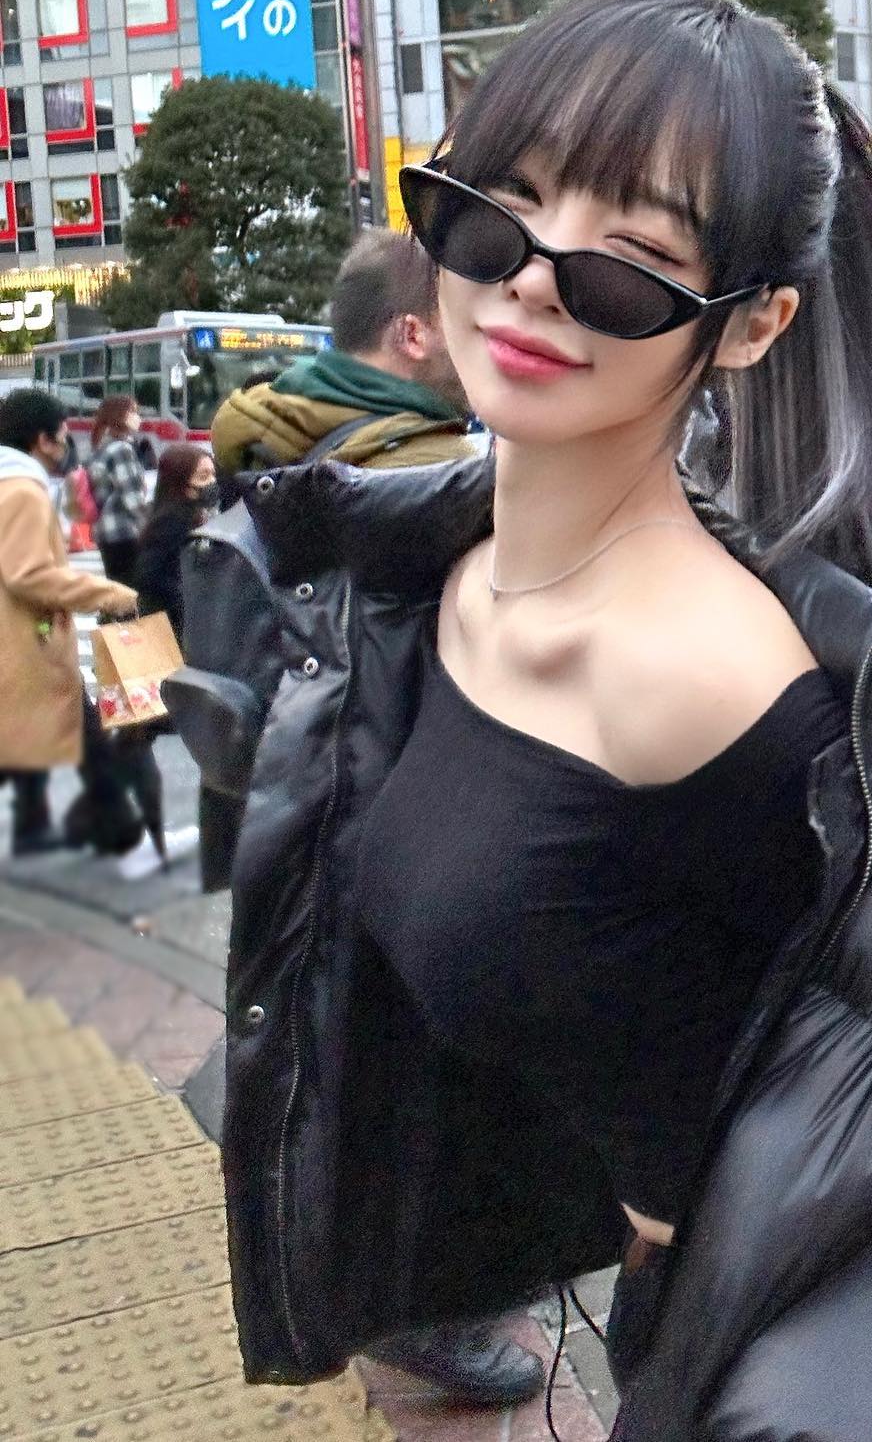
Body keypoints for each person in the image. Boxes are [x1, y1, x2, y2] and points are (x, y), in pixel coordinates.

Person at [219, 0, 872, 1438]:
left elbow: (857, 1058)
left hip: (733, 1338)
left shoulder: (691, 668)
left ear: (753, 325)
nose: (533, 279)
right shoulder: (435, 567)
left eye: (631, 262)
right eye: (500, 209)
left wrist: (670, 1225)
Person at [193, 231, 536, 1409]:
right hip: (409, 792)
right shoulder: (421, 460)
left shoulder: (266, 430)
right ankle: (428, 1312)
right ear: (413, 332)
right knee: (432, 1076)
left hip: (300, 789)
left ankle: (367, 1286)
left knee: (333, 1054)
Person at [211, 227, 472, 478]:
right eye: (458, 319)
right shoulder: (449, 469)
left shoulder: (259, 436)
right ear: (412, 335)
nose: (476, 338)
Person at [0, 390, 137, 855]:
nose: (66, 444)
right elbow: (29, 575)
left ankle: (76, 824)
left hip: (23, 638)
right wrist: (109, 593)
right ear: (42, 439)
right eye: (61, 435)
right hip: (27, 639)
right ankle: (114, 825)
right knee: (82, 733)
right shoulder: (22, 490)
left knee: (76, 731)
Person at [135, 444, 218, 638]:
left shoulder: (194, 514)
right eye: (203, 476)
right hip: (171, 624)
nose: (212, 482)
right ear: (180, 481)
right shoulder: (171, 520)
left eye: (213, 474)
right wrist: (188, 596)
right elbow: (149, 575)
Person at [86, 394, 149, 585]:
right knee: (133, 593)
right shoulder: (122, 450)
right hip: (125, 533)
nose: (138, 417)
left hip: (105, 533)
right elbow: (133, 501)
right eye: (134, 412)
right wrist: (151, 528)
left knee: (117, 591)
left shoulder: (102, 448)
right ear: (120, 416)